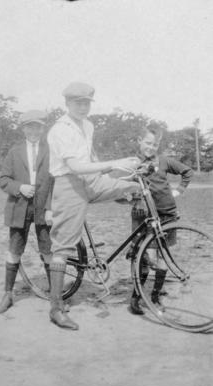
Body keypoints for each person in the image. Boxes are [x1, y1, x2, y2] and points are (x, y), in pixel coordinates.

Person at [47, 81, 141, 330]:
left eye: (87, 102)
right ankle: (56, 307)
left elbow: (90, 159)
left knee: (134, 185)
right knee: (63, 247)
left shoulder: (87, 125)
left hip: (90, 180)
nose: (83, 107)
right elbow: (75, 167)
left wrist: (122, 173)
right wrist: (114, 163)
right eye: (78, 102)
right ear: (67, 104)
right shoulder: (59, 129)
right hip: (69, 184)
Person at [129, 126, 193, 315]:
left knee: (162, 255)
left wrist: (179, 190)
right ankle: (136, 296)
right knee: (143, 255)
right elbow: (120, 187)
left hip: (166, 214)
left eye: (155, 144)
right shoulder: (132, 163)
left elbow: (187, 172)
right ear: (139, 140)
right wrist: (129, 196)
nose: (151, 147)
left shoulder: (164, 161)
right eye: (148, 143)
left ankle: (156, 295)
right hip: (142, 215)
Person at [0, 110, 53, 314]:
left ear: (42, 129)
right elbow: (3, 180)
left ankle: (55, 298)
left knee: (48, 251)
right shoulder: (14, 151)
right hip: (19, 207)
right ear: (24, 129)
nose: (34, 131)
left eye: (37, 127)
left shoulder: (50, 150)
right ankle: (8, 294)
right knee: (14, 250)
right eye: (30, 127)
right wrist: (19, 187)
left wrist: (50, 208)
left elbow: (56, 181)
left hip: (43, 208)